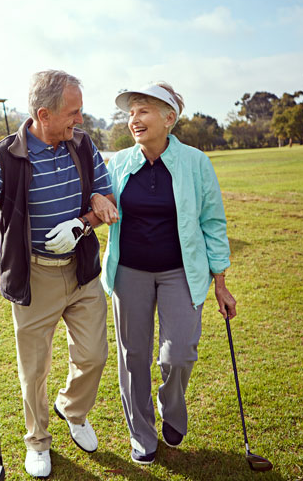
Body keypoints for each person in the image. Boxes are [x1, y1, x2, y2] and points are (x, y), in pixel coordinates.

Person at [0, 70, 118, 478]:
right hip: (34, 277)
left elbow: (108, 200)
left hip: (80, 272)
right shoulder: (6, 156)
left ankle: (72, 409)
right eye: (73, 112)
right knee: (34, 370)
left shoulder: (83, 146)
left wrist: (83, 221)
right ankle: (38, 441)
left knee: (95, 355)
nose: (79, 120)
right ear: (44, 114)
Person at [91, 81, 237, 465]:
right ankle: (142, 435)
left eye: (143, 110)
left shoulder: (196, 162)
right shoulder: (119, 162)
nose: (133, 119)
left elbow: (213, 223)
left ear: (169, 118)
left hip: (181, 272)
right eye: (131, 112)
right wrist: (96, 202)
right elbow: (98, 199)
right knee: (133, 356)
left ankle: (171, 408)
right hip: (130, 272)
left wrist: (220, 282)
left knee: (179, 355)